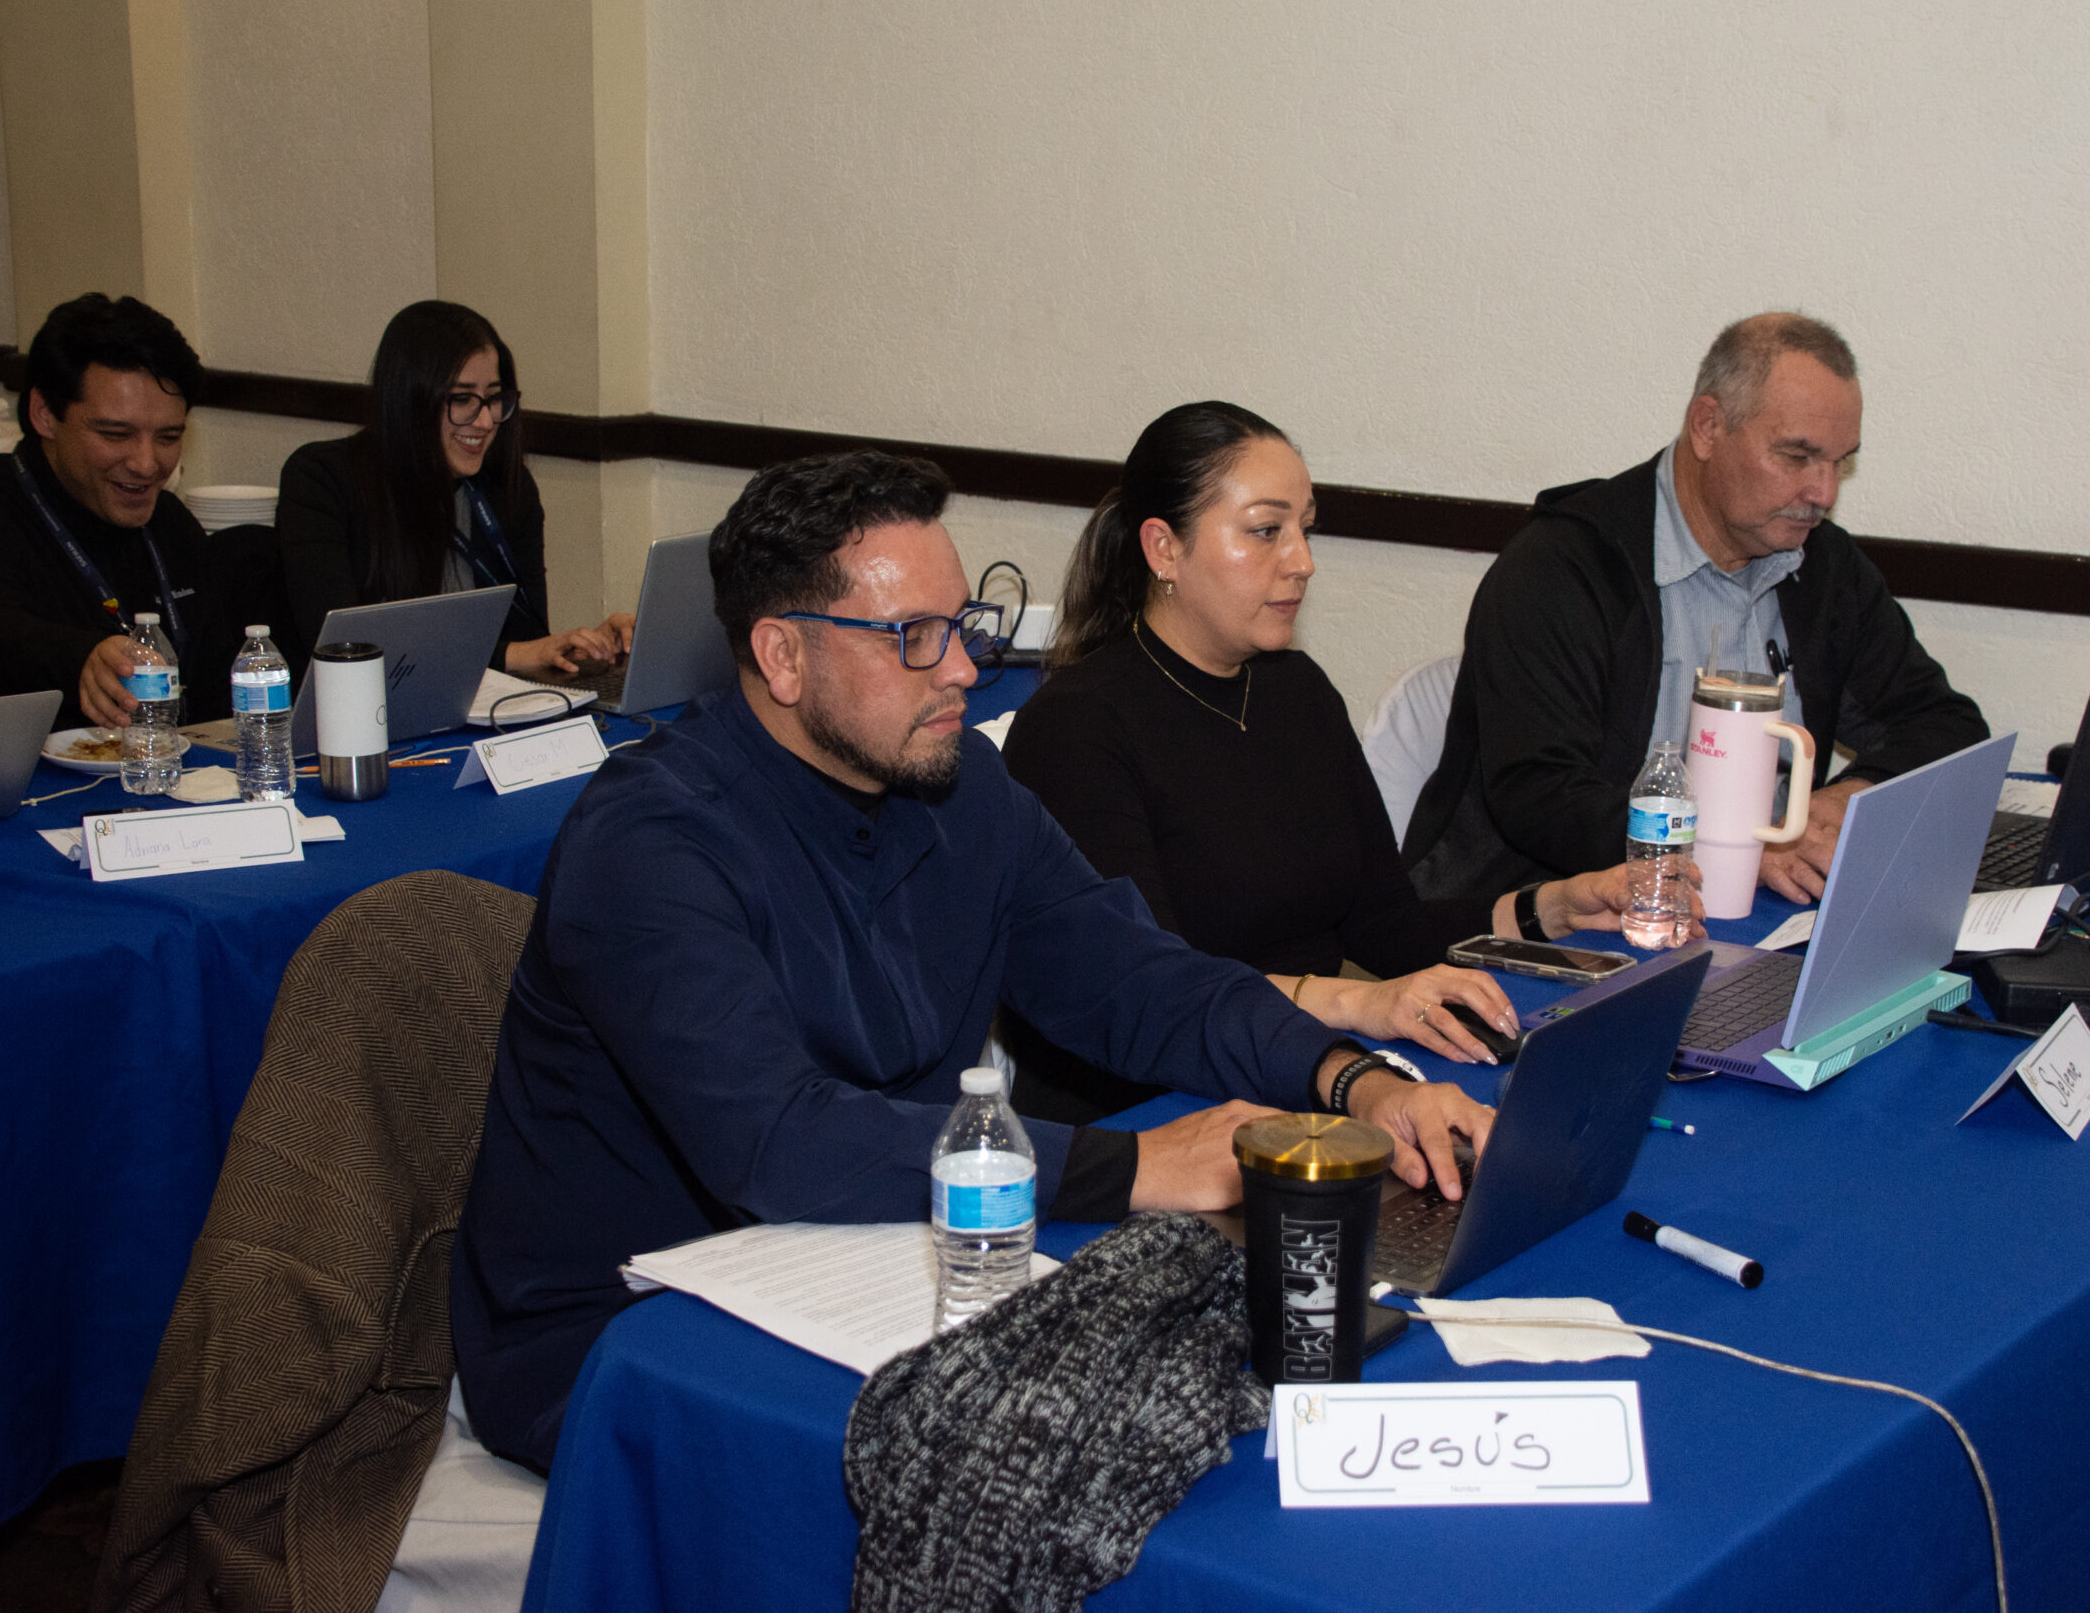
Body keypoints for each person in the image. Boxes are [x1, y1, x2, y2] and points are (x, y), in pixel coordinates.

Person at [448, 449, 1490, 1473]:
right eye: (915, 636)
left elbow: (1135, 975)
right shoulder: (650, 843)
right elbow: (777, 1141)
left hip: (879, 1262)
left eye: (964, 625)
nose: (959, 669)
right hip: (628, 1340)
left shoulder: (952, 785)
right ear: (782, 657)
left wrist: (1350, 1080)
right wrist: (1139, 1166)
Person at [1004, 402, 1686, 1121]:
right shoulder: (1076, 727)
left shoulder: (1295, 690)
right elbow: (1156, 991)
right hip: (1146, 1110)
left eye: (1305, 529)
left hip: (1303, 1063)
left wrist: (1553, 906)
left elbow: (1386, 925)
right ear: (1163, 549)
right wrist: (1362, 1003)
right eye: (1266, 530)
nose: (1302, 561)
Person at [1405, 312, 1989, 908]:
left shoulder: (1822, 567)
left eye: (1840, 462)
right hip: (1562, 917)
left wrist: (1845, 800)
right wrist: (1733, 847)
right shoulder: (1563, 567)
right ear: (1708, 426)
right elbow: (1541, 795)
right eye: (1797, 456)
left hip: (1758, 910)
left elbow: (1945, 724)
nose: (1825, 493)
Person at [0, 294, 243, 730]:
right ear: (44, 414)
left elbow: (216, 683)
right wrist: (82, 658)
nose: (146, 464)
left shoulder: (171, 522)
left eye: (168, 438)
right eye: (116, 434)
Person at [276, 301, 632, 676]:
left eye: (494, 398)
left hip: (492, 704)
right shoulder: (322, 479)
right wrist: (509, 656)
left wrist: (582, 651)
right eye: (462, 399)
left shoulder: (508, 488)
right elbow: (344, 651)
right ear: (410, 400)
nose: (485, 421)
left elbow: (528, 640)